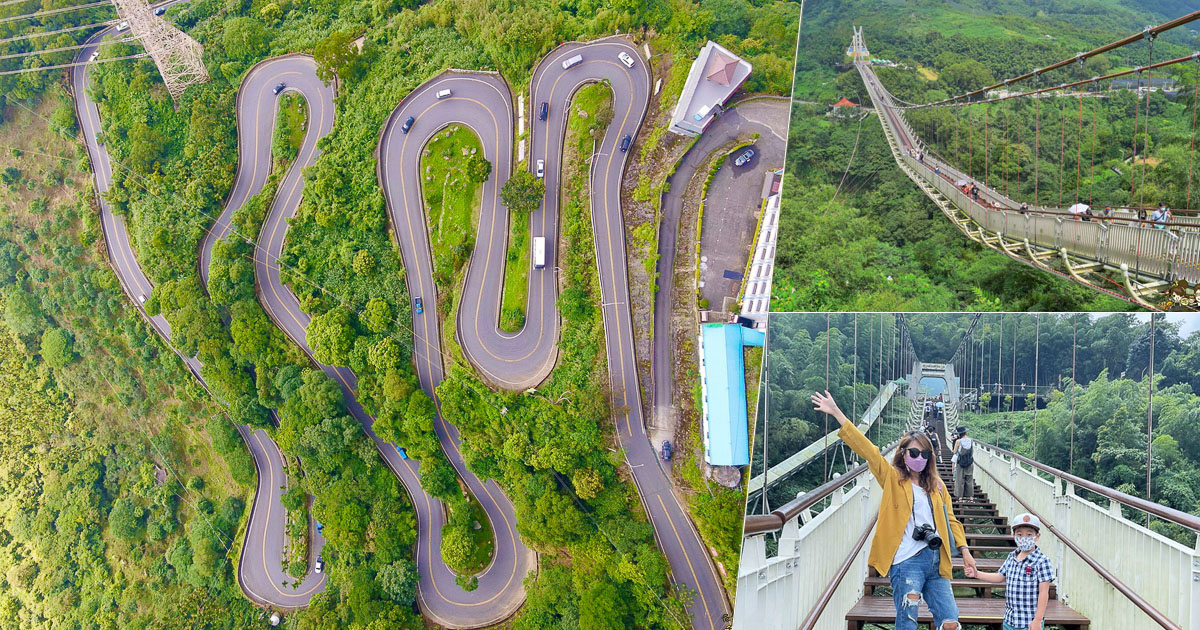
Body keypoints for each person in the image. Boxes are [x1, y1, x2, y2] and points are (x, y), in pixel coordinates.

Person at [812, 391, 975, 630]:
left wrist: (965, 551)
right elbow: (869, 451)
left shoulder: (938, 486)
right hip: (906, 561)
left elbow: (951, 520)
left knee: (950, 621)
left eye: (925, 454)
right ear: (903, 454)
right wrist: (837, 413)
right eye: (914, 453)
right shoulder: (892, 479)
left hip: (936, 559)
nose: (919, 458)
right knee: (907, 623)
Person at [968, 513, 1056, 630]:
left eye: (1029, 534)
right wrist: (977, 574)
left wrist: (1038, 620)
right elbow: (999, 577)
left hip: (1029, 623)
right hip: (1009, 620)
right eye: (1020, 534)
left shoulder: (1042, 561)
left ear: (1037, 536)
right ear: (1013, 535)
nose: (1024, 538)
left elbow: (1044, 593)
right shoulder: (1011, 557)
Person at [951, 426, 974, 501]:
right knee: (969, 479)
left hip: (960, 463)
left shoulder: (958, 441)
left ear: (959, 434)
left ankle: (960, 497)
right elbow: (972, 451)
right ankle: (971, 498)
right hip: (969, 463)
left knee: (960, 479)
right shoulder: (971, 440)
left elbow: (954, 452)